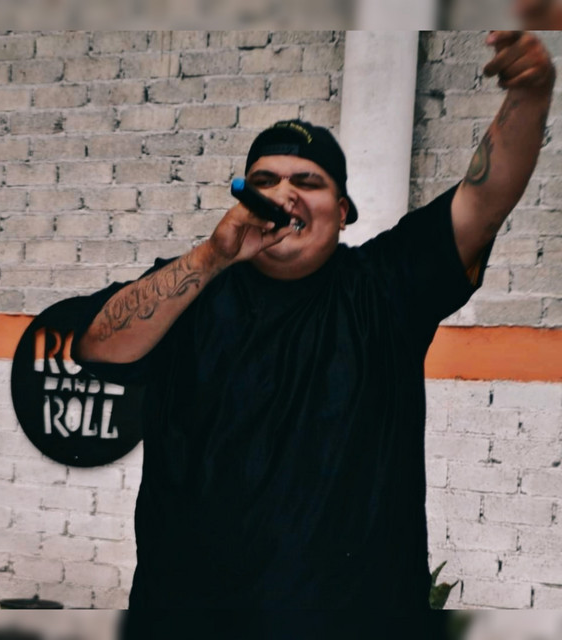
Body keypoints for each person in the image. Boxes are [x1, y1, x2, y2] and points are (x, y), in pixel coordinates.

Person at [72, 31, 555, 637]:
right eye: (265, 180)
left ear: (343, 210)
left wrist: (531, 93)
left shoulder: (386, 287)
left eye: (308, 180)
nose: (284, 193)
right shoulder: (192, 287)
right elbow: (98, 346)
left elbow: (483, 201)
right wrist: (211, 257)